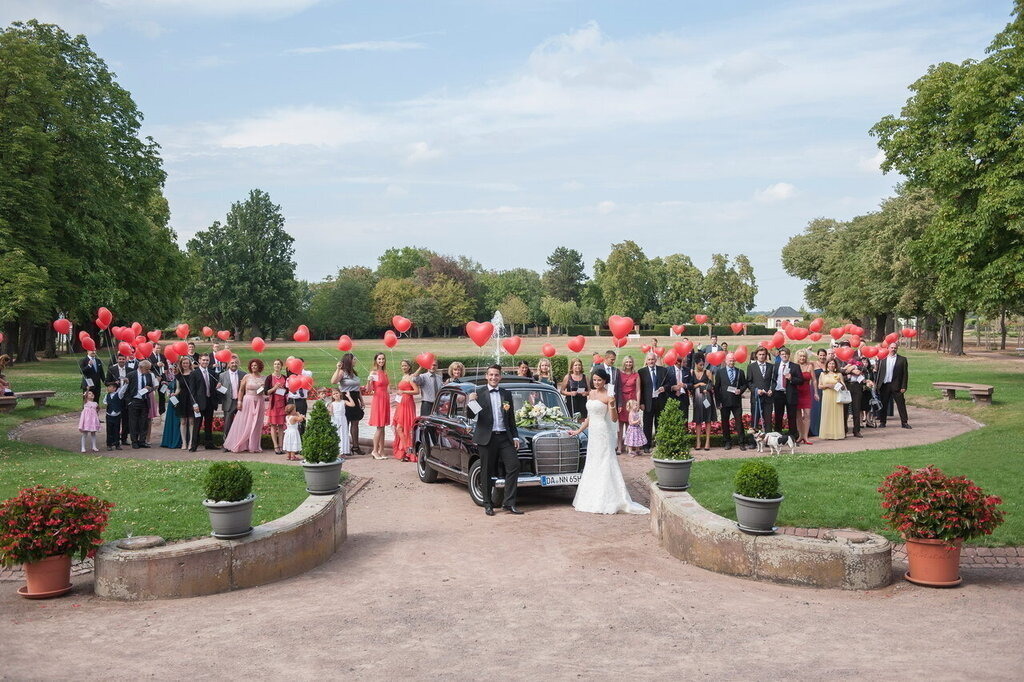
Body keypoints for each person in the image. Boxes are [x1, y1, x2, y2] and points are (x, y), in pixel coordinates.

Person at [567, 369, 649, 515]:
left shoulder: (608, 395)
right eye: (595, 380)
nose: (597, 382)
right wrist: (578, 431)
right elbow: (589, 418)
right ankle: (590, 496)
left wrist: (611, 405)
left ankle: (608, 498)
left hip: (603, 432)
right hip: (593, 433)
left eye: (599, 380)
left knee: (605, 461)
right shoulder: (591, 393)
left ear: (605, 381)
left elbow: (614, 419)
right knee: (593, 461)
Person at [467, 365, 521, 516]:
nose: (493, 378)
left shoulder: (506, 394)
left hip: (504, 437)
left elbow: (511, 418)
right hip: (487, 438)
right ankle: (488, 504)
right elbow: (471, 416)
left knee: (514, 466)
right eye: (491, 375)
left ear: (500, 377)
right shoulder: (479, 393)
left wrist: (515, 436)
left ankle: (509, 503)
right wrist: (471, 401)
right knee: (486, 471)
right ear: (486, 376)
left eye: (496, 375)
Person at [223, 359, 267, 453]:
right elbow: (241, 390)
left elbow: (261, 393)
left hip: (259, 401)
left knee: (256, 424)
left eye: (255, 365)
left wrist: (263, 388)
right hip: (247, 401)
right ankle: (240, 444)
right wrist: (239, 402)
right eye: (252, 365)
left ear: (259, 366)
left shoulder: (263, 378)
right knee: (244, 422)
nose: (253, 367)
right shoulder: (247, 376)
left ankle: (253, 446)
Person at [331, 353, 364, 455]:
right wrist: (337, 369)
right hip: (345, 397)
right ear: (349, 361)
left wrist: (361, 400)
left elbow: (357, 388)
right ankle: (344, 447)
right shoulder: (342, 372)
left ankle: (355, 446)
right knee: (346, 423)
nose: (355, 361)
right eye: (354, 359)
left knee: (355, 423)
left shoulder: (353, 373)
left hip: (354, 397)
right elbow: (333, 381)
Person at [714, 352, 747, 451]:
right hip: (724, 402)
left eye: (733, 360)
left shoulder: (740, 372)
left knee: (739, 423)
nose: (731, 362)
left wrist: (740, 390)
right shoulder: (720, 372)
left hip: (736, 402)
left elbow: (744, 384)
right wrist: (718, 402)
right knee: (725, 423)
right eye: (730, 360)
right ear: (726, 361)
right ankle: (727, 442)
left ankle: (741, 442)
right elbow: (716, 388)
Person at [638, 352, 670, 453]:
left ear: (655, 360)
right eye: (649, 360)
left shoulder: (663, 370)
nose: (651, 361)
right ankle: (646, 445)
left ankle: (659, 444)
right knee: (647, 424)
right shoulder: (641, 372)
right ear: (646, 361)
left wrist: (664, 388)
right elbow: (640, 389)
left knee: (659, 423)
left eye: (652, 359)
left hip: (660, 401)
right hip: (648, 402)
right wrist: (641, 402)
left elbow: (669, 384)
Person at [188, 354, 219, 451]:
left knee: (209, 424)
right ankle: (194, 445)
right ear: (199, 361)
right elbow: (192, 391)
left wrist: (218, 386)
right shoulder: (194, 373)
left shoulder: (212, 372)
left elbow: (213, 387)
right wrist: (194, 404)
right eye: (203, 360)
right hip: (199, 403)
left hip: (210, 402)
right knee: (197, 424)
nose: (205, 362)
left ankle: (209, 444)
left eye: (207, 360)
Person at [772, 347, 803, 444]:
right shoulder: (775, 366)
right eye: (782, 354)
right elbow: (772, 379)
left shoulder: (795, 366)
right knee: (778, 416)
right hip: (778, 393)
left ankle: (792, 438)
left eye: (786, 354)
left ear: (789, 355)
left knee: (791, 416)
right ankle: (777, 437)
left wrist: (791, 378)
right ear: (779, 355)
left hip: (790, 394)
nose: (784, 356)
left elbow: (801, 380)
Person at [876, 342, 910, 429]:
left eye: (895, 348)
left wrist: (904, 386)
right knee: (883, 404)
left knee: (901, 404)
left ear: (897, 349)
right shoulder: (882, 359)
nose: (893, 349)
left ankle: (904, 422)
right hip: (885, 385)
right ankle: (882, 422)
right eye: (891, 348)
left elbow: (905, 374)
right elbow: (878, 373)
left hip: (897, 385)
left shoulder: (902, 359)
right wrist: (877, 385)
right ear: (888, 348)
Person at [391, 359, 419, 461]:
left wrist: (404, 391)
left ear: (409, 367)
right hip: (401, 404)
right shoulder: (404, 377)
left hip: (408, 403)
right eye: (402, 366)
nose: (403, 367)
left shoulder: (411, 377)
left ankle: (407, 450)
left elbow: (416, 391)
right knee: (399, 428)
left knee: (404, 428)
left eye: (405, 366)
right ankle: (406, 449)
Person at [125, 360, 156, 449]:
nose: (148, 371)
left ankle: (142, 441)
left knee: (144, 422)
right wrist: (129, 402)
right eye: (147, 369)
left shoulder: (148, 375)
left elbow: (151, 387)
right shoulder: (131, 375)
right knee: (133, 422)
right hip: (134, 400)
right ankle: (134, 441)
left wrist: (149, 388)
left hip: (145, 400)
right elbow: (126, 390)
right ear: (141, 367)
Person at [217, 357, 247, 444]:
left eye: (236, 362)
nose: (234, 364)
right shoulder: (222, 375)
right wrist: (218, 389)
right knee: (227, 425)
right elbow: (220, 392)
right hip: (228, 402)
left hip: (240, 402)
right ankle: (226, 443)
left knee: (241, 424)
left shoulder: (243, 374)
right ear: (228, 364)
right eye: (232, 363)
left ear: (238, 364)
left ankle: (239, 443)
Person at [690, 353, 716, 451]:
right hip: (696, 399)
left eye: (703, 364)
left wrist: (707, 388)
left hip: (707, 398)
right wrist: (699, 384)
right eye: (700, 365)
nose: (702, 366)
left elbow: (712, 385)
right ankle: (698, 441)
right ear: (696, 364)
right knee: (698, 421)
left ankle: (707, 441)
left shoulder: (708, 372)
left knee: (708, 420)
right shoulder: (692, 373)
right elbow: (690, 385)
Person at [366, 352, 390, 459]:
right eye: (379, 359)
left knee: (383, 426)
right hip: (378, 399)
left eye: (383, 359)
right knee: (379, 427)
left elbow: (387, 387)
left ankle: (382, 450)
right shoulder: (374, 373)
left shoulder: (385, 372)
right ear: (376, 360)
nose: (381, 361)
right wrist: (369, 381)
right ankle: (374, 450)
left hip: (385, 399)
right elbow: (369, 390)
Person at [840, 345, 867, 438]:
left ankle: (857, 430)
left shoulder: (858, 359)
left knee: (856, 408)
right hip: (846, 386)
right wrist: (851, 370)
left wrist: (855, 367)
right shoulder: (840, 360)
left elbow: (865, 369)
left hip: (856, 386)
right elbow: (839, 371)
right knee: (845, 410)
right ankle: (844, 430)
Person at [817, 358, 847, 440]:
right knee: (827, 413)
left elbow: (844, 387)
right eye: (830, 363)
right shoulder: (823, 374)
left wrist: (840, 383)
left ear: (835, 365)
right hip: (827, 395)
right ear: (827, 365)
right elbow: (819, 386)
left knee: (837, 414)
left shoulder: (839, 374)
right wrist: (827, 386)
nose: (831, 365)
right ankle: (827, 433)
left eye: (833, 364)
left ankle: (837, 433)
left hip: (837, 396)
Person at [106, 353, 132, 446]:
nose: (121, 360)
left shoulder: (130, 370)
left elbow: (132, 384)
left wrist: (128, 382)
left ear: (126, 360)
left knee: (126, 419)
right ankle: (113, 439)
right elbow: (106, 382)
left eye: (123, 359)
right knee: (114, 419)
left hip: (125, 397)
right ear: (117, 360)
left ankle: (124, 438)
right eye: (120, 359)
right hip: (115, 396)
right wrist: (114, 383)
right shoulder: (112, 369)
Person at [747, 347, 775, 431]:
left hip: (768, 398)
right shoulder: (751, 367)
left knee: (768, 420)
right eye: (760, 354)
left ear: (766, 355)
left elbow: (774, 381)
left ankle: (768, 440)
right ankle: (753, 442)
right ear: (756, 355)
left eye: (763, 354)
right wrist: (756, 390)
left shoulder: (771, 366)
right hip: (756, 398)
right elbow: (749, 382)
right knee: (755, 419)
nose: (762, 356)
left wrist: (772, 390)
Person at [615, 355, 639, 453]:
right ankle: (620, 446)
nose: (628, 364)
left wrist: (637, 403)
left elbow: (638, 390)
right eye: (627, 362)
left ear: (632, 363)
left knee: (631, 424)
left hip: (632, 400)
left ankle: (630, 446)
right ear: (624, 363)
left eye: (630, 362)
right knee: (620, 423)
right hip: (622, 399)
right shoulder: (619, 373)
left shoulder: (636, 375)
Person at [266, 358, 288, 454]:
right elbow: (266, 392)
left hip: (282, 404)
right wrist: (274, 388)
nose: (276, 366)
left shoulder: (285, 377)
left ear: (281, 366)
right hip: (274, 404)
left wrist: (283, 389)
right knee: (273, 425)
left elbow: (287, 390)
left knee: (281, 426)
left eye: (278, 364)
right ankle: (275, 446)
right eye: (275, 364)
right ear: (273, 366)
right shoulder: (269, 378)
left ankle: (281, 446)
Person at [794, 349, 816, 445]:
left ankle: (806, 436)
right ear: (797, 357)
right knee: (798, 416)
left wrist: (816, 392)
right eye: (801, 356)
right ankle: (800, 435)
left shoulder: (810, 366)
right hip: (797, 392)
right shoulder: (794, 366)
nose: (802, 358)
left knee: (807, 414)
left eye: (804, 356)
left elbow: (814, 380)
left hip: (807, 392)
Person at [176, 356, 198, 451]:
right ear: (181, 364)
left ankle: (191, 442)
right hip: (182, 399)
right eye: (183, 363)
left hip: (191, 399)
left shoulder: (194, 374)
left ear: (190, 364)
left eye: (187, 363)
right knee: (183, 421)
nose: (185, 365)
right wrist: (174, 393)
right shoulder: (178, 375)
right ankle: (184, 442)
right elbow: (178, 388)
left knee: (192, 421)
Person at [286, 356, 311, 435]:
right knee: (291, 419)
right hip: (292, 400)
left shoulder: (307, 373)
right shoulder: (290, 376)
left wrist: (300, 368)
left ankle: (302, 438)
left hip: (301, 400)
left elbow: (307, 375)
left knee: (302, 419)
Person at [666, 352, 693, 424]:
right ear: (678, 362)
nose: (686, 363)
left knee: (684, 419)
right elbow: (665, 385)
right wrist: (672, 388)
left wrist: (685, 385)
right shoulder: (668, 370)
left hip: (684, 397)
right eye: (684, 362)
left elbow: (691, 384)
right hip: (672, 397)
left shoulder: (687, 370)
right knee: (673, 419)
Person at [160, 365, 182, 449]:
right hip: (171, 401)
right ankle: (168, 440)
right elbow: (169, 388)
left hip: (178, 401)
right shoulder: (172, 378)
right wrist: (166, 384)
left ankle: (176, 441)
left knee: (177, 421)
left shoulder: (180, 378)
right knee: (170, 421)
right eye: (172, 369)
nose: (174, 370)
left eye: (175, 369)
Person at [103, 381, 126, 451]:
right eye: (108, 387)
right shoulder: (107, 395)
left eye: (110, 387)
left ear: (114, 388)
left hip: (117, 415)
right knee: (109, 430)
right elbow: (105, 402)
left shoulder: (118, 394)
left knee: (117, 430)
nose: (108, 388)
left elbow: (122, 390)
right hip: (109, 415)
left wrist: (126, 384)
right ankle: (109, 444)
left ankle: (117, 444)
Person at [330, 388, 353, 458]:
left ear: (340, 393)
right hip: (335, 420)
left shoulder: (344, 402)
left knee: (343, 434)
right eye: (334, 394)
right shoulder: (332, 404)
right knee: (337, 434)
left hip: (343, 419)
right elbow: (331, 413)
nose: (335, 395)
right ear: (332, 396)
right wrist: (329, 410)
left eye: (337, 393)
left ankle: (343, 451)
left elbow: (352, 404)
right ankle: (337, 452)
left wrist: (349, 396)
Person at [809, 347, 827, 437]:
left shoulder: (828, 364)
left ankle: (824, 429)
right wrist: (810, 351)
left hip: (826, 389)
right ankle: (814, 430)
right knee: (816, 408)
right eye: (820, 355)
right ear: (817, 355)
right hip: (815, 389)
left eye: (824, 355)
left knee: (825, 409)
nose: (822, 357)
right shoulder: (813, 364)